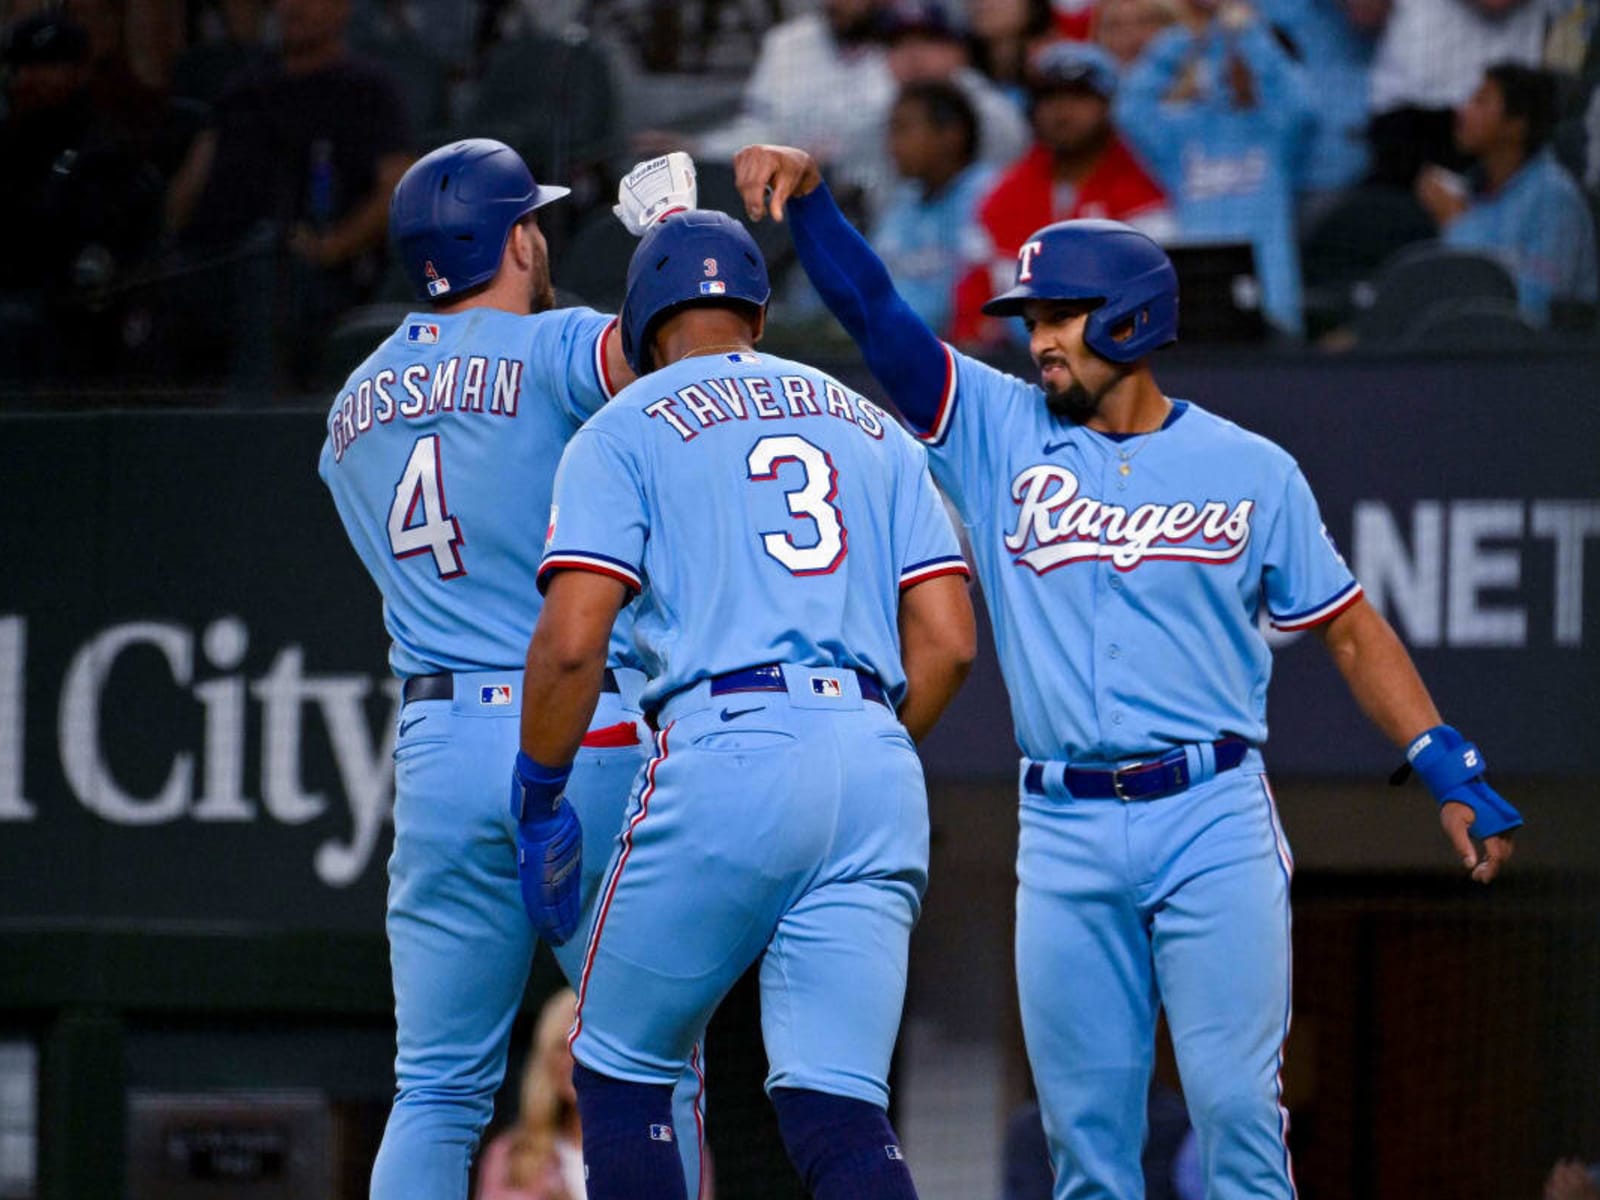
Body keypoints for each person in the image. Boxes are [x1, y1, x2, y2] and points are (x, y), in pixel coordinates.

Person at [732, 142, 1524, 1200]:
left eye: (1061, 315)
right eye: (1034, 319)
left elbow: (1347, 627)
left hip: (1211, 815)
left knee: (1240, 1119)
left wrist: (1443, 762)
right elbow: (880, 319)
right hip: (1062, 828)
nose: (1041, 339)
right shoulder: (996, 427)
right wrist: (817, 206)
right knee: (1084, 1149)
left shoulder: (1251, 468)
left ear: (1131, 320)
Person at [514, 208, 976, 1199]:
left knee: (618, 1066)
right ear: (757, 315)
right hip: (874, 756)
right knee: (836, 1106)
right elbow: (948, 641)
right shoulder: (870, 422)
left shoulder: (621, 424)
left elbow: (567, 648)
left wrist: (537, 797)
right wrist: (853, 749)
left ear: (642, 327)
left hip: (731, 739)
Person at [317, 138, 704, 1200]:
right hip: (579, 720)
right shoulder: (552, 350)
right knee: (641, 1063)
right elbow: (686, 356)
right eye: (531, 221)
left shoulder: (349, 406)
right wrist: (671, 237)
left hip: (439, 738)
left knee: (436, 1086)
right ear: (517, 238)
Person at [949, 41, 1170, 349]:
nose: (1062, 111)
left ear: (1108, 105)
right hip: (1014, 367)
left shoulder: (1140, 192)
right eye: (1049, 97)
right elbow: (971, 308)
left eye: (1079, 96)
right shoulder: (1000, 197)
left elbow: (1151, 304)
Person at [1113, 0, 1315, 334]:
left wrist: (1251, 35)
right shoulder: (1180, 133)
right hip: (1198, 302)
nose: (1237, 69)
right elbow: (1130, 109)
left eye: (1246, 63)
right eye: (1229, 61)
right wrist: (1191, 38)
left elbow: (1303, 104)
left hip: (1273, 303)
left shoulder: (1276, 131)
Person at [1415, 61, 1598, 327]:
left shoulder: (1554, 199)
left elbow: (1534, 312)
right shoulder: (1473, 189)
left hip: (1539, 361)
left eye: (1480, 101)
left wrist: (1457, 222)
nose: (1462, 110)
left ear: (1516, 124)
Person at [871, 81, 997, 337]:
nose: (892, 145)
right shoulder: (901, 204)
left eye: (903, 130)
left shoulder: (990, 195)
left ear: (951, 135)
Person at [474, 988, 586, 1200]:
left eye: (584, 1048)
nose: (574, 1061)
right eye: (562, 1048)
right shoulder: (511, 1157)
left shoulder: (652, 1147)